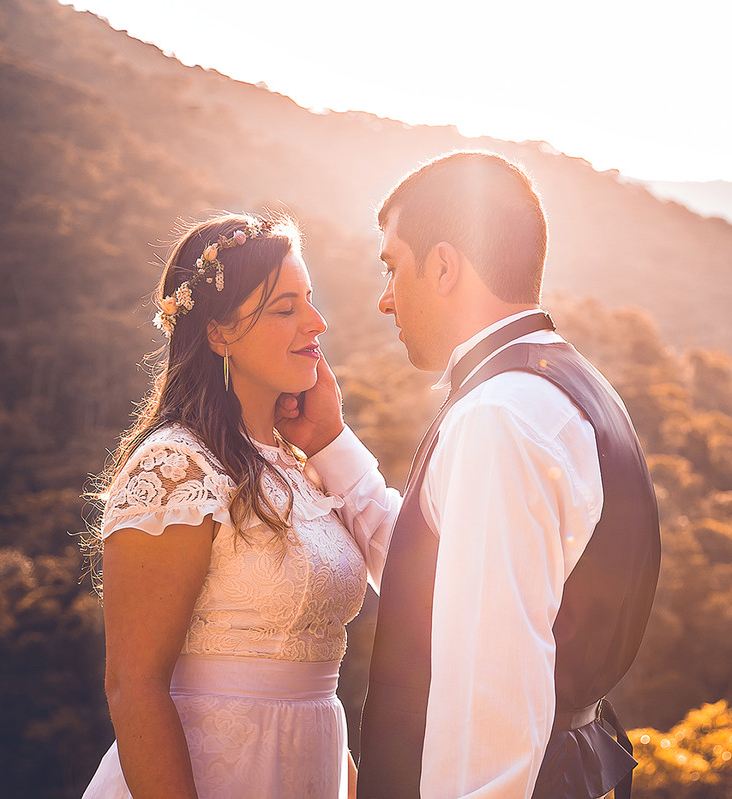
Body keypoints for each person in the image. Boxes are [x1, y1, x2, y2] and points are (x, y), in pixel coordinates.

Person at [283, 151, 662, 798]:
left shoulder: (498, 416)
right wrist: (329, 444)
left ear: (443, 266)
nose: (384, 297)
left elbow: (491, 698)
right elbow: (442, 577)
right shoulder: (569, 388)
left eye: (392, 266)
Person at [82, 212, 400, 799]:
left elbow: (310, 691)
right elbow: (133, 686)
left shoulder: (302, 466)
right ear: (218, 332)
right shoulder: (175, 467)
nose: (317, 322)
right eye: (285, 308)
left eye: (309, 300)